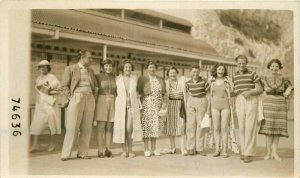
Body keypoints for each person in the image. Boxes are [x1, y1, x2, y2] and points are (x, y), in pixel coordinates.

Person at [60, 50, 98, 161]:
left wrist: (94, 92)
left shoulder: (91, 71)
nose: (91, 60)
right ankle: (66, 154)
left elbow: (94, 85)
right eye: (89, 58)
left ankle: (82, 153)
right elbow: (64, 85)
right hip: (76, 98)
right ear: (82, 57)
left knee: (86, 127)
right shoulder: (71, 68)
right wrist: (71, 97)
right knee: (72, 127)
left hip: (89, 98)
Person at [258, 59, 293, 161]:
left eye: (276, 66)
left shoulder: (284, 78)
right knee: (268, 130)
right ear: (269, 67)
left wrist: (287, 92)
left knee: (277, 130)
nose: (274, 68)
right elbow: (258, 88)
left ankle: (275, 153)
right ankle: (268, 153)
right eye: (272, 66)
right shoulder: (263, 78)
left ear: (279, 67)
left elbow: (290, 87)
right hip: (268, 103)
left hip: (280, 104)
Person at [232, 55, 263, 163]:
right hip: (240, 100)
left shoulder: (252, 74)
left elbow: (260, 89)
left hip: (251, 99)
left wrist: (249, 92)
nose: (241, 65)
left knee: (250, 126)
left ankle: (248, 153)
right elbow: (234, 90)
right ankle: (244, 150)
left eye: (243, 63)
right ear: (236, 64)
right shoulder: (234, 76)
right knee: (241, 126)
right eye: (239, 63)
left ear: (246, 63)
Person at [29, 60, 61, 153]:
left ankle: (52, 145)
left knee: (51, 124)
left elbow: (58, 90)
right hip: (40, 104)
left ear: (48, 68)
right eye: (41, 67)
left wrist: (49, 91)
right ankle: (35, 145)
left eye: (44, 67)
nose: (42, 69)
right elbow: (37, 90)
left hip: (50, 104)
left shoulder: (52, 77)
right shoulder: (39, 78)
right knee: (36, 124)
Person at [113, 59, 143, 158]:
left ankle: (130, 150)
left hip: (132, 106)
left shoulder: (135, 79)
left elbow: (139, 91)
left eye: (129, 67)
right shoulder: (117, 79)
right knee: (122, 128)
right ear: (122, 68)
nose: (128, 69)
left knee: (129, 128)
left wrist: (137, 98)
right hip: (120, 107)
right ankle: (123, 150)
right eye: (126, 67)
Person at [137, 60, 166, 157]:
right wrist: (139, 104)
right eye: (150, 67)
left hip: (158, 104)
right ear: (147, 68)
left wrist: (164, 104)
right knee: (147, 126)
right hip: (147, 104)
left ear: (156, 68)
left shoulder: (160, 79)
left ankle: (154, 149)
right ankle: (146, 149)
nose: (152, 69)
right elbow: (138, 92)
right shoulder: (142, 79)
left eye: (153, 67)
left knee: (155, 127)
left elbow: (164, 92)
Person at [207, 63, 231, 158]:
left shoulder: (227, 81)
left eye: (222, 69)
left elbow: (231, 93)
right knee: (216, 128)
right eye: (219, 69)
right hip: (214, 107)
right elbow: (209, 96)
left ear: (224, 70)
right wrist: (208, 109)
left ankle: (224, 150)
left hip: (225, 106)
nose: (220, 71)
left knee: (224, 128)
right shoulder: (211, 81)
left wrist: (230, 83)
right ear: (216, 70)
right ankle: (217, 149)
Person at [94, 59, 116, 158]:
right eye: (106, 66)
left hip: (113, 101)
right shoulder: (98, 77)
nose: (108, 68)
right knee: (101, 127)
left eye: (110, 66)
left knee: (109, 126)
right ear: (102, 67)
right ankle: (100, 150)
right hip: (101, 100)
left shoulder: (115, 77)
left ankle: (108, 149)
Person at [185, 65, 210, 156]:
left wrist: (208, 108)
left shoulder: (204, 81)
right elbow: (188, 92)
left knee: (200, 125)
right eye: (193, 71)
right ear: (190, 72)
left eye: (197, 72)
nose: (195, 73)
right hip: (191, 101)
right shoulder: (188, 82)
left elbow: (208, 95)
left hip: (201, 100)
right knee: (190, 125)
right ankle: (190, 148)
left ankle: (199, 148)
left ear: (199, 72)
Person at [164, 66, 187, 156]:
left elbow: (185, 94)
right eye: (170, 73)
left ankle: (183, 149)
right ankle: (172, 147)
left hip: (180, 106)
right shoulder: (166, 83)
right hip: (170, 106)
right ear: (168, 74)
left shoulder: (181, 82)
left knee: (181, 127)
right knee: (170, 128)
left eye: (174, 72)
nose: (172, 74)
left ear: (177, 73)